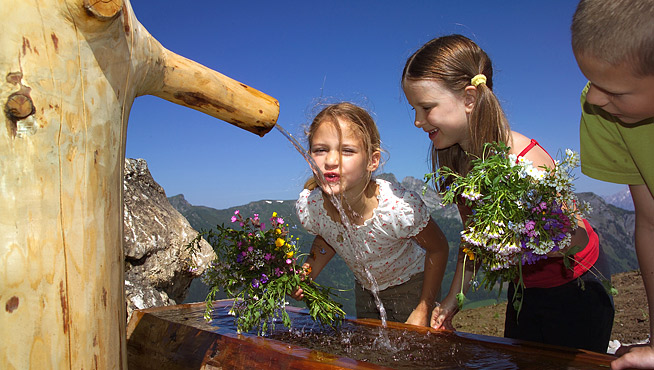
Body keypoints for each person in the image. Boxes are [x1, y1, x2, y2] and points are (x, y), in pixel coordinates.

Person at [401, 34, 614, 352]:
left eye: (426, 107)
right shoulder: (462, 162)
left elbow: (576, 237)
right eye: (413, 109)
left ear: (469, 98)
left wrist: (511, 242)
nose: (418, 121)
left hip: (578, 291)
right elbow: (473, 238)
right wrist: (452, 301)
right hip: (525, 290)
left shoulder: (522, 162)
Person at [291, 102, 449, 326]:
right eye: (320, 150)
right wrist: (309, 270)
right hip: (366, 290)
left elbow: (439, 248)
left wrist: (423, 308)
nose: (330, 161)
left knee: (413, 357)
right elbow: (328, 237)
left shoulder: (397, 209)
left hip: (412, 287)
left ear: (372, 161)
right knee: (371, 352)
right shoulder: (313, 206)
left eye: (347, 151)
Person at [571, 0, 654, 367]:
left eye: (615, 91)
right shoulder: (607, 113)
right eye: (592, 81)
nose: (593, 98)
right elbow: (650, 223)